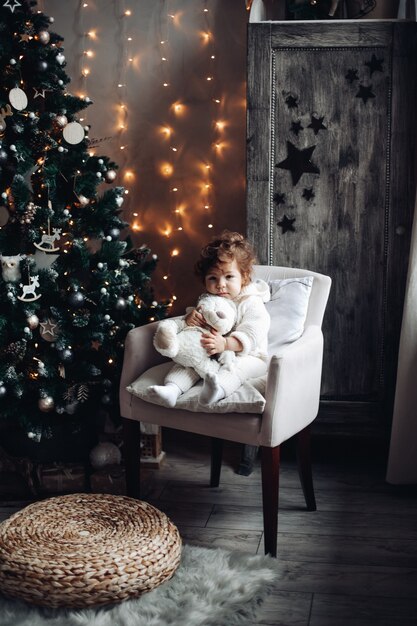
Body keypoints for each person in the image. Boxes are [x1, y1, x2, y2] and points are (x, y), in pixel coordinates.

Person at [148, 230, 271, 407]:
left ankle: (217, 390)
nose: (220, 284)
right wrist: (190, 319)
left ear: (243, 277)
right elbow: (198, 328)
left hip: (249, 356)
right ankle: (172, 390)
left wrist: (226, 344)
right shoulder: (210, 300)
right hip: (212, 355)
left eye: (229, 277)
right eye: (213, 278)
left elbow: (254, 331)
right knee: (189, 363)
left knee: (236, 369)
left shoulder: (251, 302)